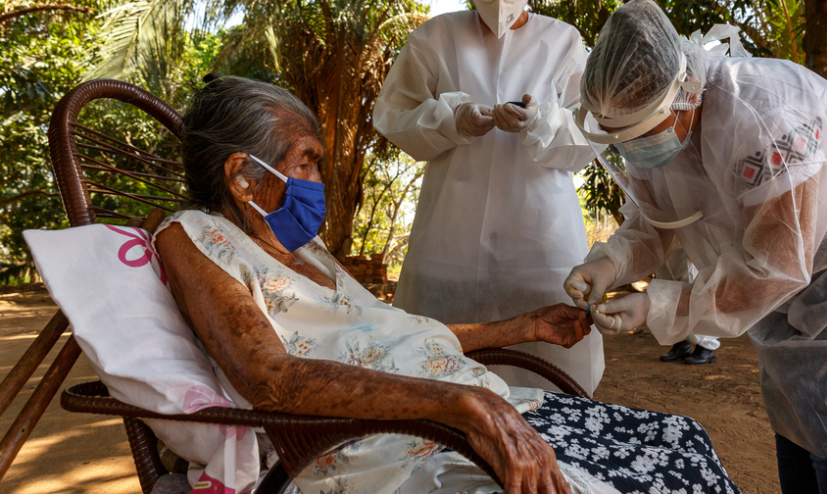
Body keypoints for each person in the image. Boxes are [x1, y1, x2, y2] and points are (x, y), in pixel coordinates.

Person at [154, 76, 740, 494]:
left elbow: (395, 334)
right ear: (242, 177)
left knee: (679, 440)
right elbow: (270, 378)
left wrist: (524, 328)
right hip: (397, 448)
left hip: (473, 409)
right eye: (304, 161)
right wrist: (460, 405)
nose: (315, 179)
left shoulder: (302, 248)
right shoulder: (195, 236)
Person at [562, 0, 827, 494]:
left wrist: (658, 305)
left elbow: (774, 269)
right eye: (622, 138)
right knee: (795, 408)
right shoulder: (654, 121)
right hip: (795, 258)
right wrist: (609, 264)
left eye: (641, 133)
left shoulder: (768, 117)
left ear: (683, 92)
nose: (635, 149)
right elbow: (658, 219)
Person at [373, 0, 603, 395]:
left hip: (539, 242)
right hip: (449, 239)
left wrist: (543, 121)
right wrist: (449, 120)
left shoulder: (563, 41)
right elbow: (394, 117)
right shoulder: (435, 38)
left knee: (549, 376)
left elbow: (591, 134)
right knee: (440, 371)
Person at [655, 247, 719, 365]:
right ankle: (681, 343)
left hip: (687, 239)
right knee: (668, 287)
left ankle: (706, 347)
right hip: (667, 240)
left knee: (692, 290)